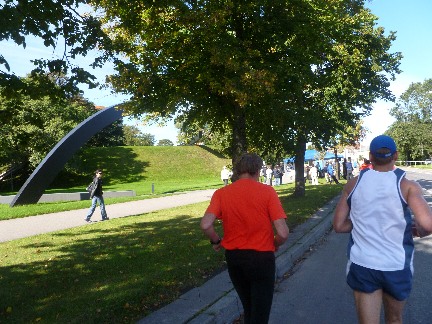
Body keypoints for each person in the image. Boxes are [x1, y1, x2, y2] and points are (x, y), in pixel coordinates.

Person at [333, 135, 432, 324]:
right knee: (394, 320)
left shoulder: (353, 184)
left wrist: (364, 223)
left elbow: (338, 225)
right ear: (395, 155)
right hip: (396, 265)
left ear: (370, 156)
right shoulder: (407, 186)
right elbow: (427, 224)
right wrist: (418, 230)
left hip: (363, 264)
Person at [200, 153, 289, 324]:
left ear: (237, 171)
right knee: (260, 313)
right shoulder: (267, 192)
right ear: (257, 170)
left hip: (235, 258)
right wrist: (274, 243)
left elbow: (205, 225)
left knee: (248, 307)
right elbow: (283, 233)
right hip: (262, 258)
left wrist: (216, 241)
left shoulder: (222, 193)